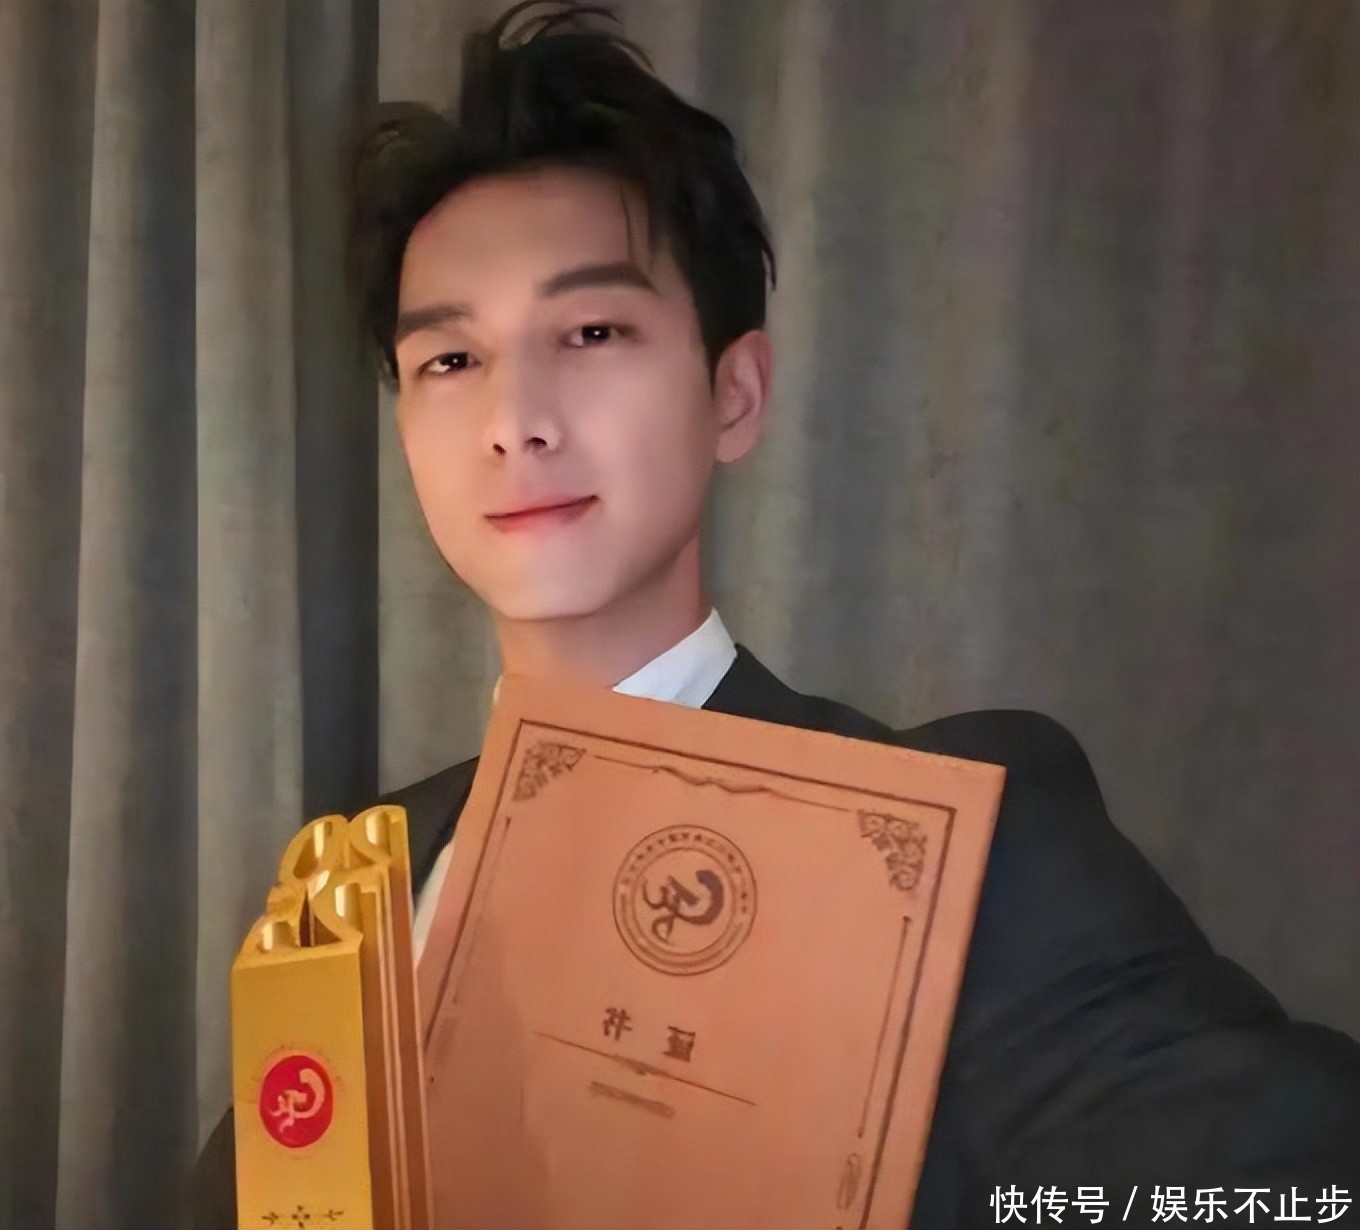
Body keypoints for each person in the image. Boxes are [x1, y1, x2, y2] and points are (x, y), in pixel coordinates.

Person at [192, 2, 1360, 1225]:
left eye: (591, 331)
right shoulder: (359, 873)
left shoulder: (950, 843)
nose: (513, 421)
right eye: (449, 360)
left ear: (734, 394)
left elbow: (1291, 1181)